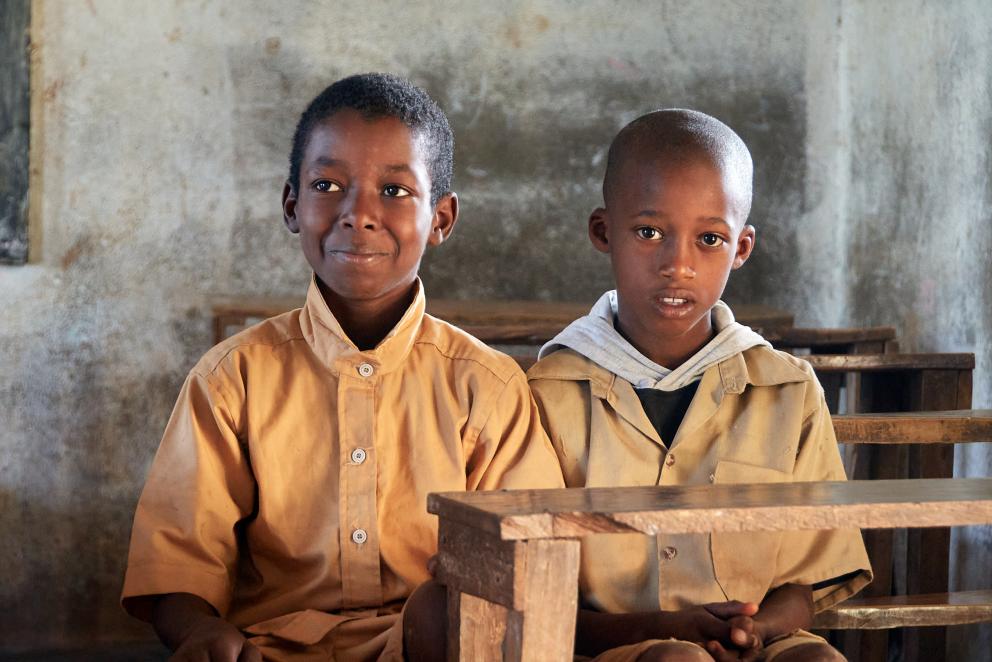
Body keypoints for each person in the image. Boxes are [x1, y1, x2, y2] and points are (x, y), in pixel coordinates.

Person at [121, 72, 563, 662]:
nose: (358, 214)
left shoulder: (485, 388)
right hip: (273, 648)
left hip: (433, 643)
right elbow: (177, 562)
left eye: (396, 191)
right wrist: (201, 631)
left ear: (442, 219)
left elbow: (530, 567)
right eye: (327, 184)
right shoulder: (234, 379)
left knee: (443, 612)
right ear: (291, 206)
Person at [527, 109, 871, 662]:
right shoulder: (549, 392)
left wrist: (752, 632)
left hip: (756, 644)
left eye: (709, 238)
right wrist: (673, 630)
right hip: (618, 650)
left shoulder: (786, 389)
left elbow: (805, 584)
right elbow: (536, 600)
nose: (677, 265)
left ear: (742, 248)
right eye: (648, 232)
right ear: (602, 232)